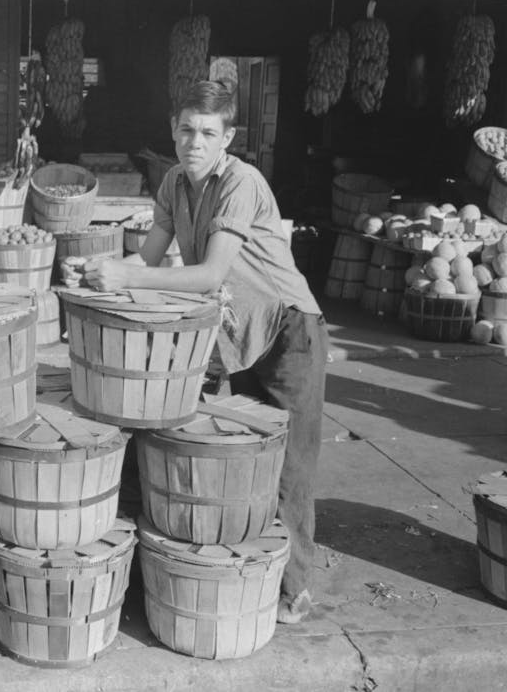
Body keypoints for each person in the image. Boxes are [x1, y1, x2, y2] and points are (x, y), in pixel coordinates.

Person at [84, 80, 327, 624]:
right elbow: (147, 262)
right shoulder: (174, 182)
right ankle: (247, 572)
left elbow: (212, 273)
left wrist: (127, 275)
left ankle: (294, 590)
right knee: (244, 458)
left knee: (290, 466)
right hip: (240, 332)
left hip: (290, 330)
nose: (196, 142)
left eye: (209, 133)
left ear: (228, 137)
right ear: (173, 130)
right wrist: (105, 277)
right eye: (187, 129)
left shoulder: (242, 181)